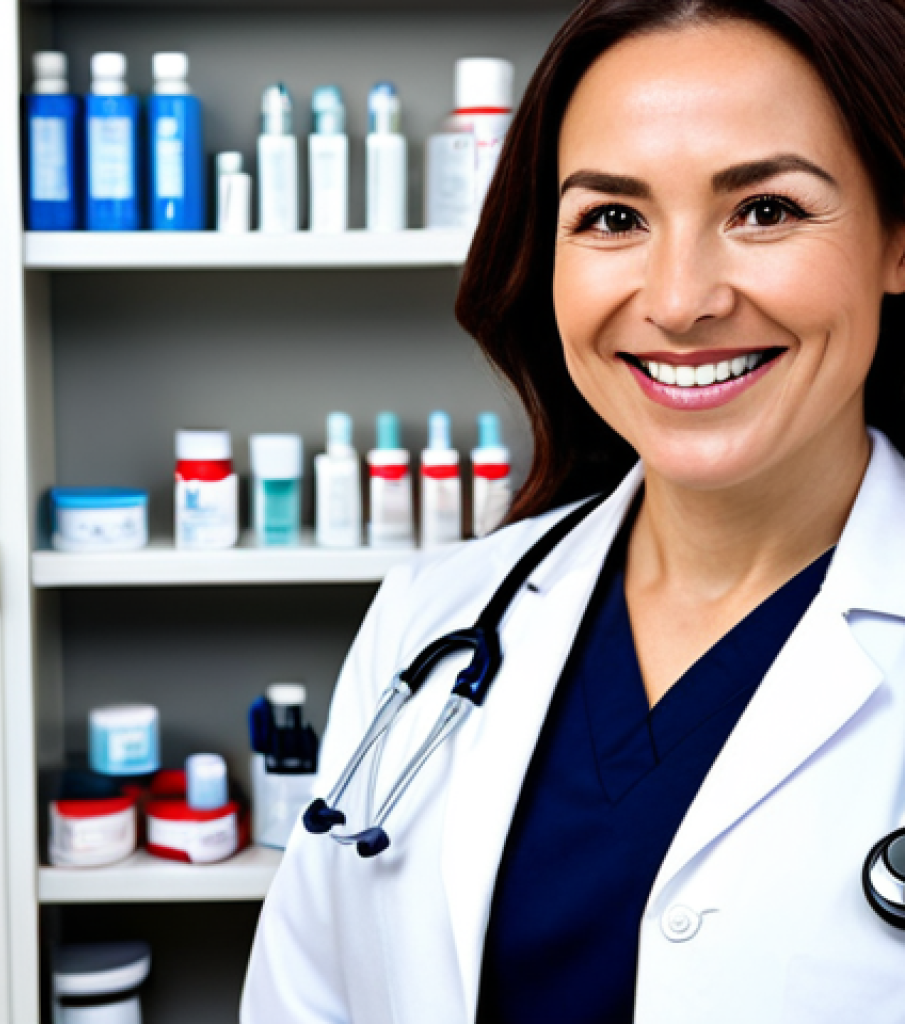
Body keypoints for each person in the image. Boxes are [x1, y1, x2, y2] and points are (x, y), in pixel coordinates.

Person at [242, 1, 905, 1021]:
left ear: (894, 242)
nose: (679, 299)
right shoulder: (431, 617)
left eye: (764, 209)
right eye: (612, 217)